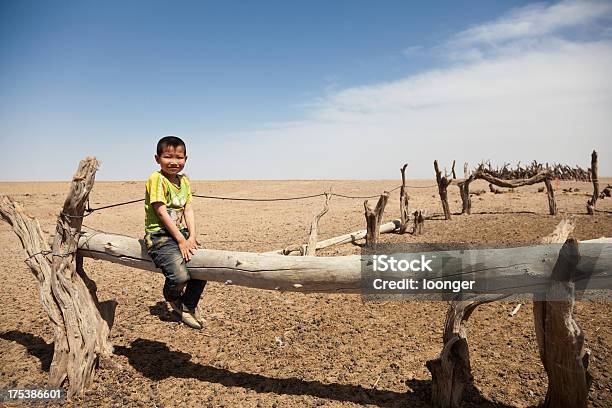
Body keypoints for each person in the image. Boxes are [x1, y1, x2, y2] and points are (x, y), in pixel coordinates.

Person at [144, 136, 206, 330]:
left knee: (204, 267)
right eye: (168, 156)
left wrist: (192, 237)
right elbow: (161, 212)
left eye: (179, 157)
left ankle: (188, 306)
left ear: (185, 159)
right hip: (159, 235)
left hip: (180, 233)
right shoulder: (157, 179)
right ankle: (173, 298)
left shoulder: (184, 181)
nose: (174, 162)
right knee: (179, 277)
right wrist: (181, 241)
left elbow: (188, 210)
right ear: (157, 158)